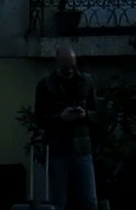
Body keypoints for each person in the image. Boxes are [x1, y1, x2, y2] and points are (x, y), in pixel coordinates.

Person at [30, 52, 106, 210]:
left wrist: (85, 115)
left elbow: (98, 114)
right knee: (59, 200)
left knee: (90, 199)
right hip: (58, 149)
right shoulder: (46, 85)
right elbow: (39, 118)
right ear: (57, 64)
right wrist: (61, 118)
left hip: (82, 146)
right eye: (66, 67)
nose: (70, 71)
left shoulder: (86, 81)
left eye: (72, 66)